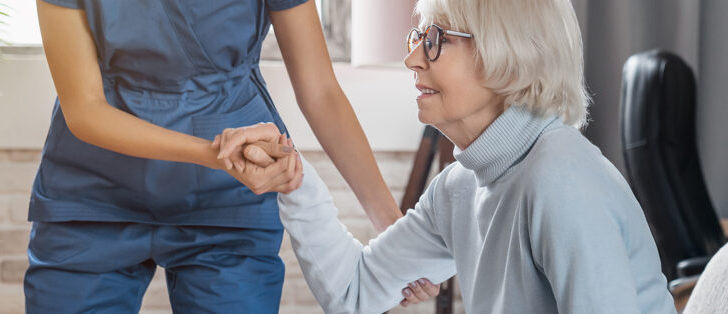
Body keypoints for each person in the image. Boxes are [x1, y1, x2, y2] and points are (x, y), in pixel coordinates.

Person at [217, 0, 676, 312]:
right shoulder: (460, 187)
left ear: (507, 52)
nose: (413, 59)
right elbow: (356, 290)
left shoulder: (562, 179)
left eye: (435, 39)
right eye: (416, 37)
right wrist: (292, 179)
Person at [26, 0, 437, 312]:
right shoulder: (217, 156)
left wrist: (392, 233)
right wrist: (213, 153)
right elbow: (84, 109)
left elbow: (321, 92)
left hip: (228, 196)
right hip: (95, 192)